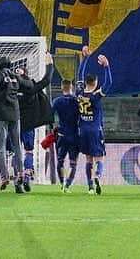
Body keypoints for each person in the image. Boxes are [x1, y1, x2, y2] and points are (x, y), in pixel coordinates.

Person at [12, 52, 54, 191]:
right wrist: (49, 64)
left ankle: (17, 179)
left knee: (16, 153)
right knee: (29, 151)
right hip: (28, 125)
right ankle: (27, 177)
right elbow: (46, 80)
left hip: (14, 125)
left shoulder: (10, 89)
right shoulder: (30, 88)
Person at [0, 55, 27, 193]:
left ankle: (4, 177)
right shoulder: (15, 76)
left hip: (0, 115)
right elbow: (29, 85)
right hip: (15, 114)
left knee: (1, 147)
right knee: (17, 146)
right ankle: (21, 172)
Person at [77, 48, 112, 195]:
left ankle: (90, 187)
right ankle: (97, 176)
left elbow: (79, 75)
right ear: (95, 83)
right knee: (99, 157)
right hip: (95, 130)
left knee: (88, 159)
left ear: (85, 82)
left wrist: (85, 59)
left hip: (83, 130)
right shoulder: (96, 95)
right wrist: (106, 66)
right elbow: (109, 83)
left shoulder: (79, 92)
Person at [51, 79, 80, 192]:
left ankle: (62, 182)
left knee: (60, 160)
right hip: (74, 134)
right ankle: (67, 185)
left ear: (61, 88)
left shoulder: (57, 101)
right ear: (71, 87)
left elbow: (50, 115)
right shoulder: (76, 101)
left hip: (61, 134)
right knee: (73, 162)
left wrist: (53, 126)